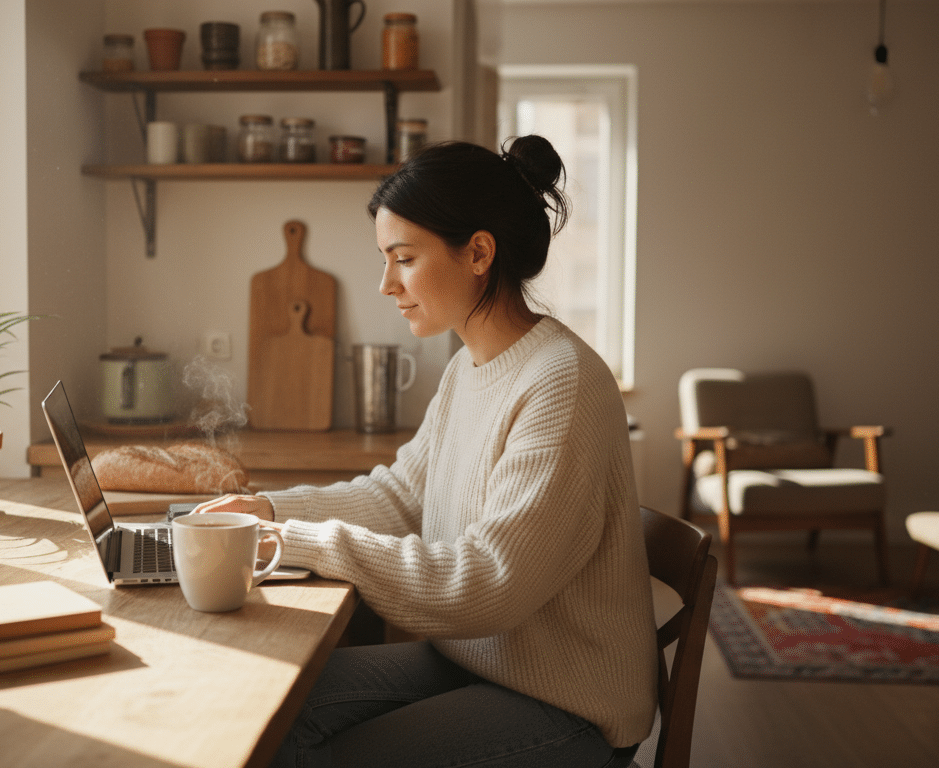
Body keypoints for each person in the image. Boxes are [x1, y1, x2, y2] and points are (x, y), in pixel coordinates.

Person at [195, 136, 658, 768]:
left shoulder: (561, 383)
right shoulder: (471, 367)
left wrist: (294, 541)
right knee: (269, 704)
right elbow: (399, 495)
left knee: (317, 756)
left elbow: (487, 585)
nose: (385, 284)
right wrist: (268, 511)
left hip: (567, 707)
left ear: (478, 252)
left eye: (404, 258)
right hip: (481, 665)